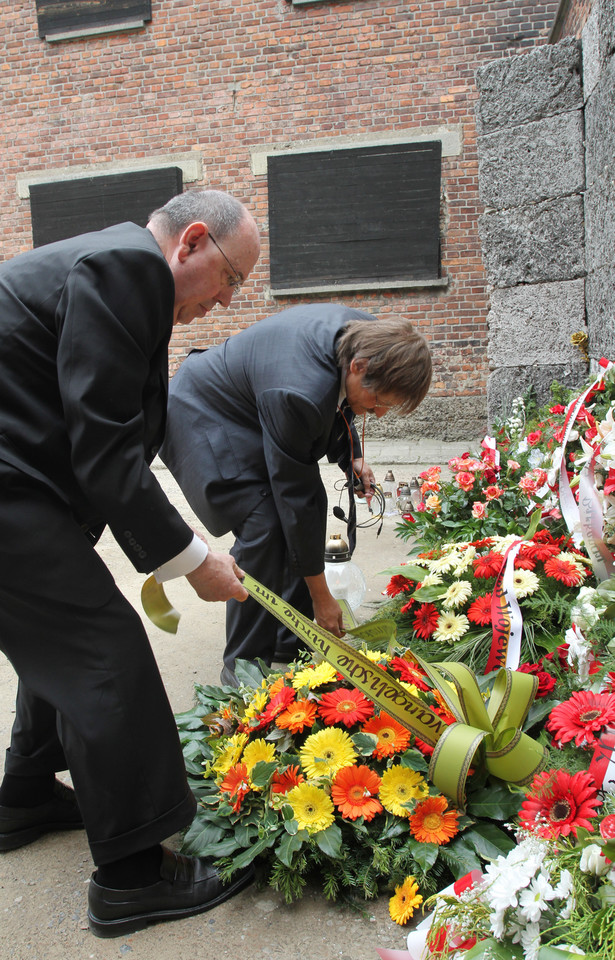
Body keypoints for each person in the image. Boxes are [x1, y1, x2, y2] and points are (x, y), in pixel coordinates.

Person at [0, 188, 261, 937]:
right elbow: (107, 443)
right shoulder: (126, 267)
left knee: (64, 643)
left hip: (23, 492)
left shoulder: (108, 263)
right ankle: (133, 878)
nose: (225, 303)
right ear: (193, 243)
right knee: (102, 653)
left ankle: (23, 795)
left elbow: (86, 419)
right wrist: (189, 557)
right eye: (232, 280)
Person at [160, 303, 432, 685]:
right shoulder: (299, 391)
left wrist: (350, 457)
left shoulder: (369, 339)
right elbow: (297, 498)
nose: (380, 413)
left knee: (289, 525)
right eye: (381, 402)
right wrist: (322, 595)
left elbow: (339, 403)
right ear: (359, 367)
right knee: (266, 524)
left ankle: (293, 640)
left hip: (253, 405)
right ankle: (243, 670)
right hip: (201, 415)